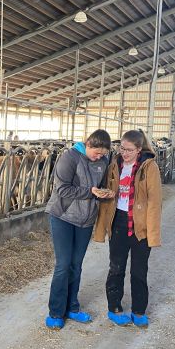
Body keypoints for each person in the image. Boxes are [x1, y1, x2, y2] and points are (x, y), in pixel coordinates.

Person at [44, 129, 112, 329]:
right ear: (88, 145)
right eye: (96, 152)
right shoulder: (70, 157)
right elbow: (62, 188)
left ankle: (72, 307)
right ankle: (56, 311)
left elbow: (101, 184)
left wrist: (105, 192)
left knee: (76, 265)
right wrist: (90, 192)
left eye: (103, 154)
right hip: (63, 216)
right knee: (63, 265)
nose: (99, 157)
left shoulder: (103, 162)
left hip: (85, 219)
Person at [93, 129, 162, 328]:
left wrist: (153, 233)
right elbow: (108, 189)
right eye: (122, 148)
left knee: (139, 270)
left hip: (140, 224)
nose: (124, 153)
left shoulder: (150, 167)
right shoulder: (114, 164)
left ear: (139, 149)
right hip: (118, 222)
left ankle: (139, 310)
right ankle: (114, 308)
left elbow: (155, 202)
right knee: (116, 268)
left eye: (129, 150)